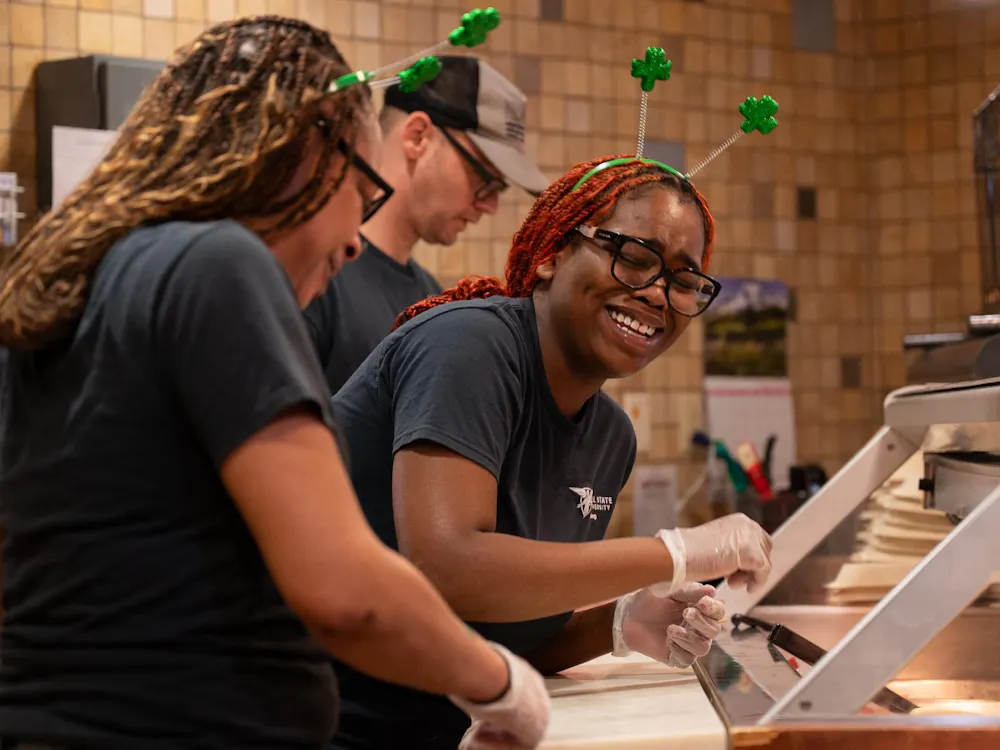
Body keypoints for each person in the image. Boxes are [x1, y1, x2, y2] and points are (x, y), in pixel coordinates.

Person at [0, 17, 549, 750]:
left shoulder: (67, 278)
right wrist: (501, 685)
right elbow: (344, 591)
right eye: (362, 189)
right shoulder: (216, 265)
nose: (354, 240)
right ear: (304, 150)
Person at [329, 154, 774, 749]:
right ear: (551, 254)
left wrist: (620, 624)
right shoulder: (467, 346)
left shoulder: (611, 437)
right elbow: (447, 568)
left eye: (684, 282)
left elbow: (511, 635)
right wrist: (673, 554)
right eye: (634, 257)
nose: (658, 295)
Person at [303, 55, 549, 394]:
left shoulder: (431, 301)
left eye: (499, 188)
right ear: (418, 136)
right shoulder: (316, 274)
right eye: (484, 177)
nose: (490, 205)